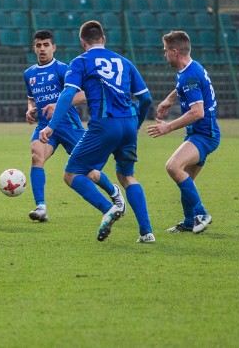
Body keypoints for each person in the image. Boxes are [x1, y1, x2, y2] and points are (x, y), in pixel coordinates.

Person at [39, 20, 154, 243]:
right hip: (129, 122)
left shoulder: (80, 61)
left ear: (83, 42)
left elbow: (67, 94)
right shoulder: (124, 61)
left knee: (72, 174)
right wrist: (136, 125)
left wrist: (51, 125)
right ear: (104, 39)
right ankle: (146, 232)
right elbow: (146, 99)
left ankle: (108, 209)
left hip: (104, 124)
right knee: (127, 176)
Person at [146, 30, 220, 234]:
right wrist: (169, 100)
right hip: (201, 132)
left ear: (175, 51)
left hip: (205, 134)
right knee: (186, 177)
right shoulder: (190, 69)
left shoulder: (189, 75)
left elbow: (197, 112)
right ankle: (189, 222)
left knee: (173, 166)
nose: (164, 54)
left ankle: (201, 214)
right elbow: (183, 86)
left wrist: (167, 127)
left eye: (165, 51)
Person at [24, 30, 87, 222]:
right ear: (34, 48)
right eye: (38, 45)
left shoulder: (63, 69)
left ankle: (114, 193)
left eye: (46, 45)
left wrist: (59, 104)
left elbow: (83, 94)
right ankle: (41, 207)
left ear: (53, 47)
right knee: (36, 155)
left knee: (89, 169)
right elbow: (31, 98)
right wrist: (31, 108)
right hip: (45, 126)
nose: (42, 49)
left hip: (69, 125)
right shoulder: (29, 74)